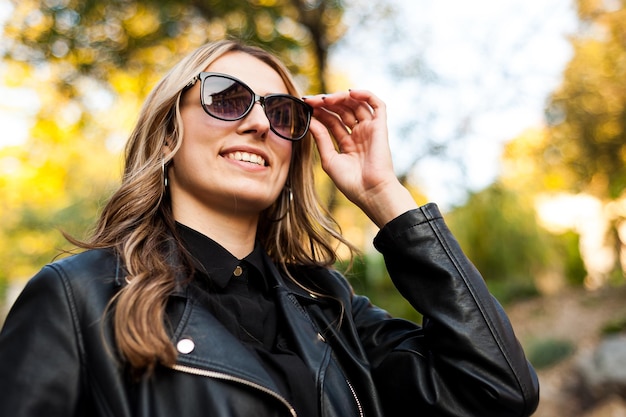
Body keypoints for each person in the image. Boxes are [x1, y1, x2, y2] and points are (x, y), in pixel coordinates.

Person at [0, 39, 539, 417]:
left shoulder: (329, 307)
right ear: (170, 128)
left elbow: (497, 391)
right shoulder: (79, 298)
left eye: (283, 112)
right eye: (227, 98)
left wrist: (384, 196)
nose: (259, 122)